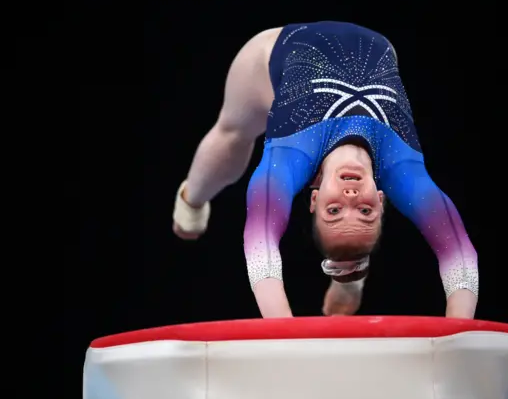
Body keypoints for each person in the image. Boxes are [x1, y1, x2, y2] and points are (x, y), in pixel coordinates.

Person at [172, 21, 478, 318]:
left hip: (271, 61)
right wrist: (458, 332)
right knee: (231, 136)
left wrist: (284, 334)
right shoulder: (403, 169)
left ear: (314, 199)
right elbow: (460, 256)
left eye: (334, 210)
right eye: (365, 211)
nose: (351, 196)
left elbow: (261, 244)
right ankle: (193, 201)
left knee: (234, 136)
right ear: (382, 201)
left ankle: (193, 200)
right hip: (375, 44)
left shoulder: (289, 155)